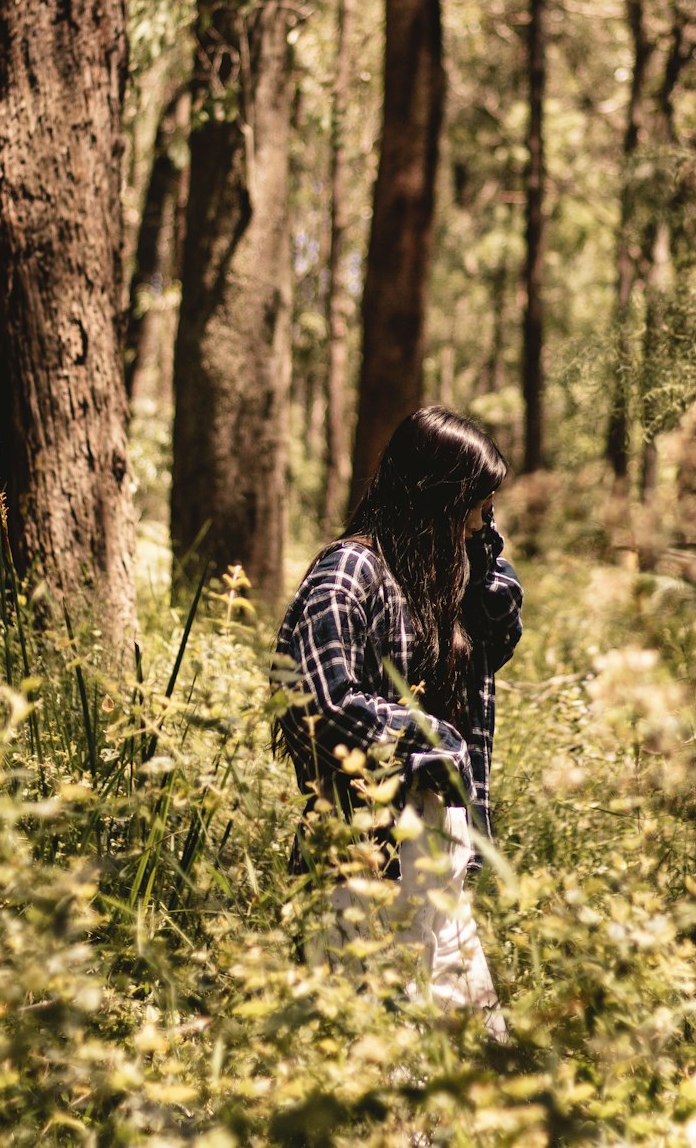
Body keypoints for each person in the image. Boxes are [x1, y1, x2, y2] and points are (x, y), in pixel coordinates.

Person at [272, 406, 523, 1037]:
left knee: (471, 1052)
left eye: (486, 510)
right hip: (364, 857)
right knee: (380, 1060)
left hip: (437, 850)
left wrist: (486, 553)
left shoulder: (439, 579)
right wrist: (423, 736)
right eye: (472, 506)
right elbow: (316, 701)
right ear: (433, 499)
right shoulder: (348, 572)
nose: (478, 523)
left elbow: (500, 629)